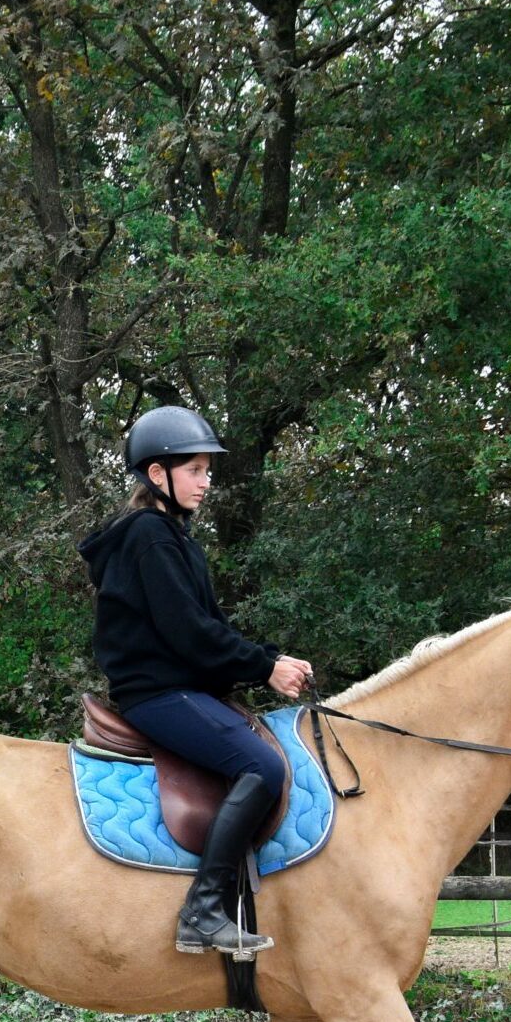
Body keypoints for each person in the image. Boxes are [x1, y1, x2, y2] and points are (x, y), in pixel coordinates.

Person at [78, 405, 314, 954]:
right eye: (195, 471)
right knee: (260, 764)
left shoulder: (171, 536)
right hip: (157, 694)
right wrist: (263, 667)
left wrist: (268, 659)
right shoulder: (151, 538)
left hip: (179, 687)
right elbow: (189, 634)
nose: (206, 483)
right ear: (157, 474)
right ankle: (204, 911)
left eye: (208, 471)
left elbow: (207, 628)